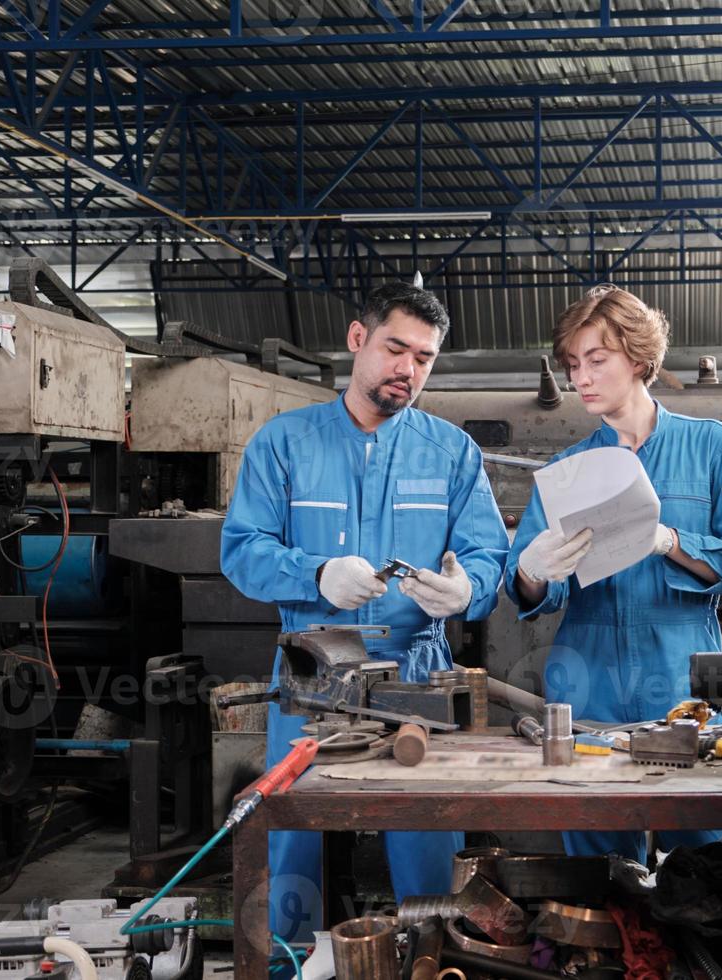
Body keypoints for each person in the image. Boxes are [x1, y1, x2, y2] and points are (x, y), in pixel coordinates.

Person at [221, 282, 508, 942]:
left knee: (426, 843)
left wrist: (467, 592)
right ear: (358, 340)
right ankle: (290, 960)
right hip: (310, 671)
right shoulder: (284, 444)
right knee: (290, 843)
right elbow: (242, 551)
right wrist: (315, 572)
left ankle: (433, 958)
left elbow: (489, 555)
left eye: (426, 358)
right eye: (395, 348)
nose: (408, 369)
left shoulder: (452, 454)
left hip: (417, 674)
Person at [504, 285, 722, 862]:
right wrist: (533, 570)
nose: (580, 379)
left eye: (596, 360)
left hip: (683, 688)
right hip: (588, 686)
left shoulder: (713, 448)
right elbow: (531, 592)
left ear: (638, 358)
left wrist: (670, 541)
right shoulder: (565, 471)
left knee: (709, 862)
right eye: (572, 366)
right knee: (599, 868)